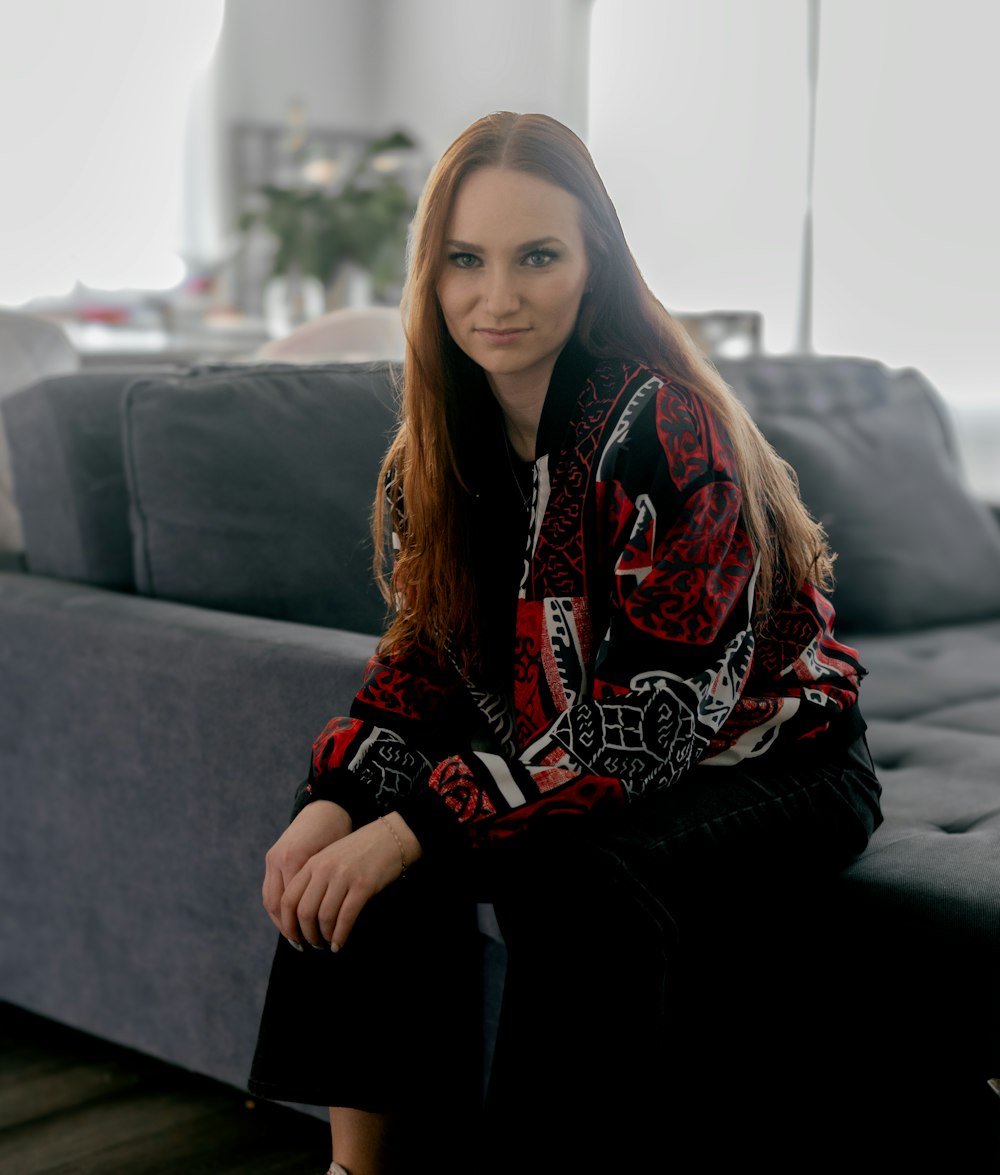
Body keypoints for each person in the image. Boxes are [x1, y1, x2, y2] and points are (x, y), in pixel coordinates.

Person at [247, 111, 882, 1174]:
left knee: (558, 869)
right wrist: (337, 797)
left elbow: (651, 725)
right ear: (431, 275)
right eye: (466, 260)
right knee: (350, 819)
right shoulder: (431, 456)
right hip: (581, 750)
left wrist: (415, 826)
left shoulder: (666, 429)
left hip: (781, 763)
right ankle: (356, 1167)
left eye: (536, 256)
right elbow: (421, 663)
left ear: (594, 264)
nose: (496, 296)